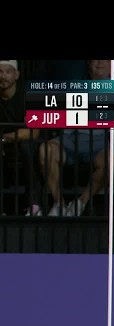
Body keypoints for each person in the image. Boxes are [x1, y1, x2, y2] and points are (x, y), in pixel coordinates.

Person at [37, 60, 114, 216]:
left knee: (110, 161)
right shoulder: (76, 84)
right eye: (95, 59)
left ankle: (80, 203)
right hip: (69, 137)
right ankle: (59, 204)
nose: (99, 62)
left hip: (100, 141)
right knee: (45, 151)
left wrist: (112, 107)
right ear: (88, 63)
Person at [0, 60, 43, 216]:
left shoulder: (29, 95)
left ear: (16, 74)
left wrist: (5, 137)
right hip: (6, 144)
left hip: (29, 143)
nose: (3, 76)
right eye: (0, 72)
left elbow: (33, 131)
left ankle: (35, 205)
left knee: (26, 147)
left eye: (7, 72)